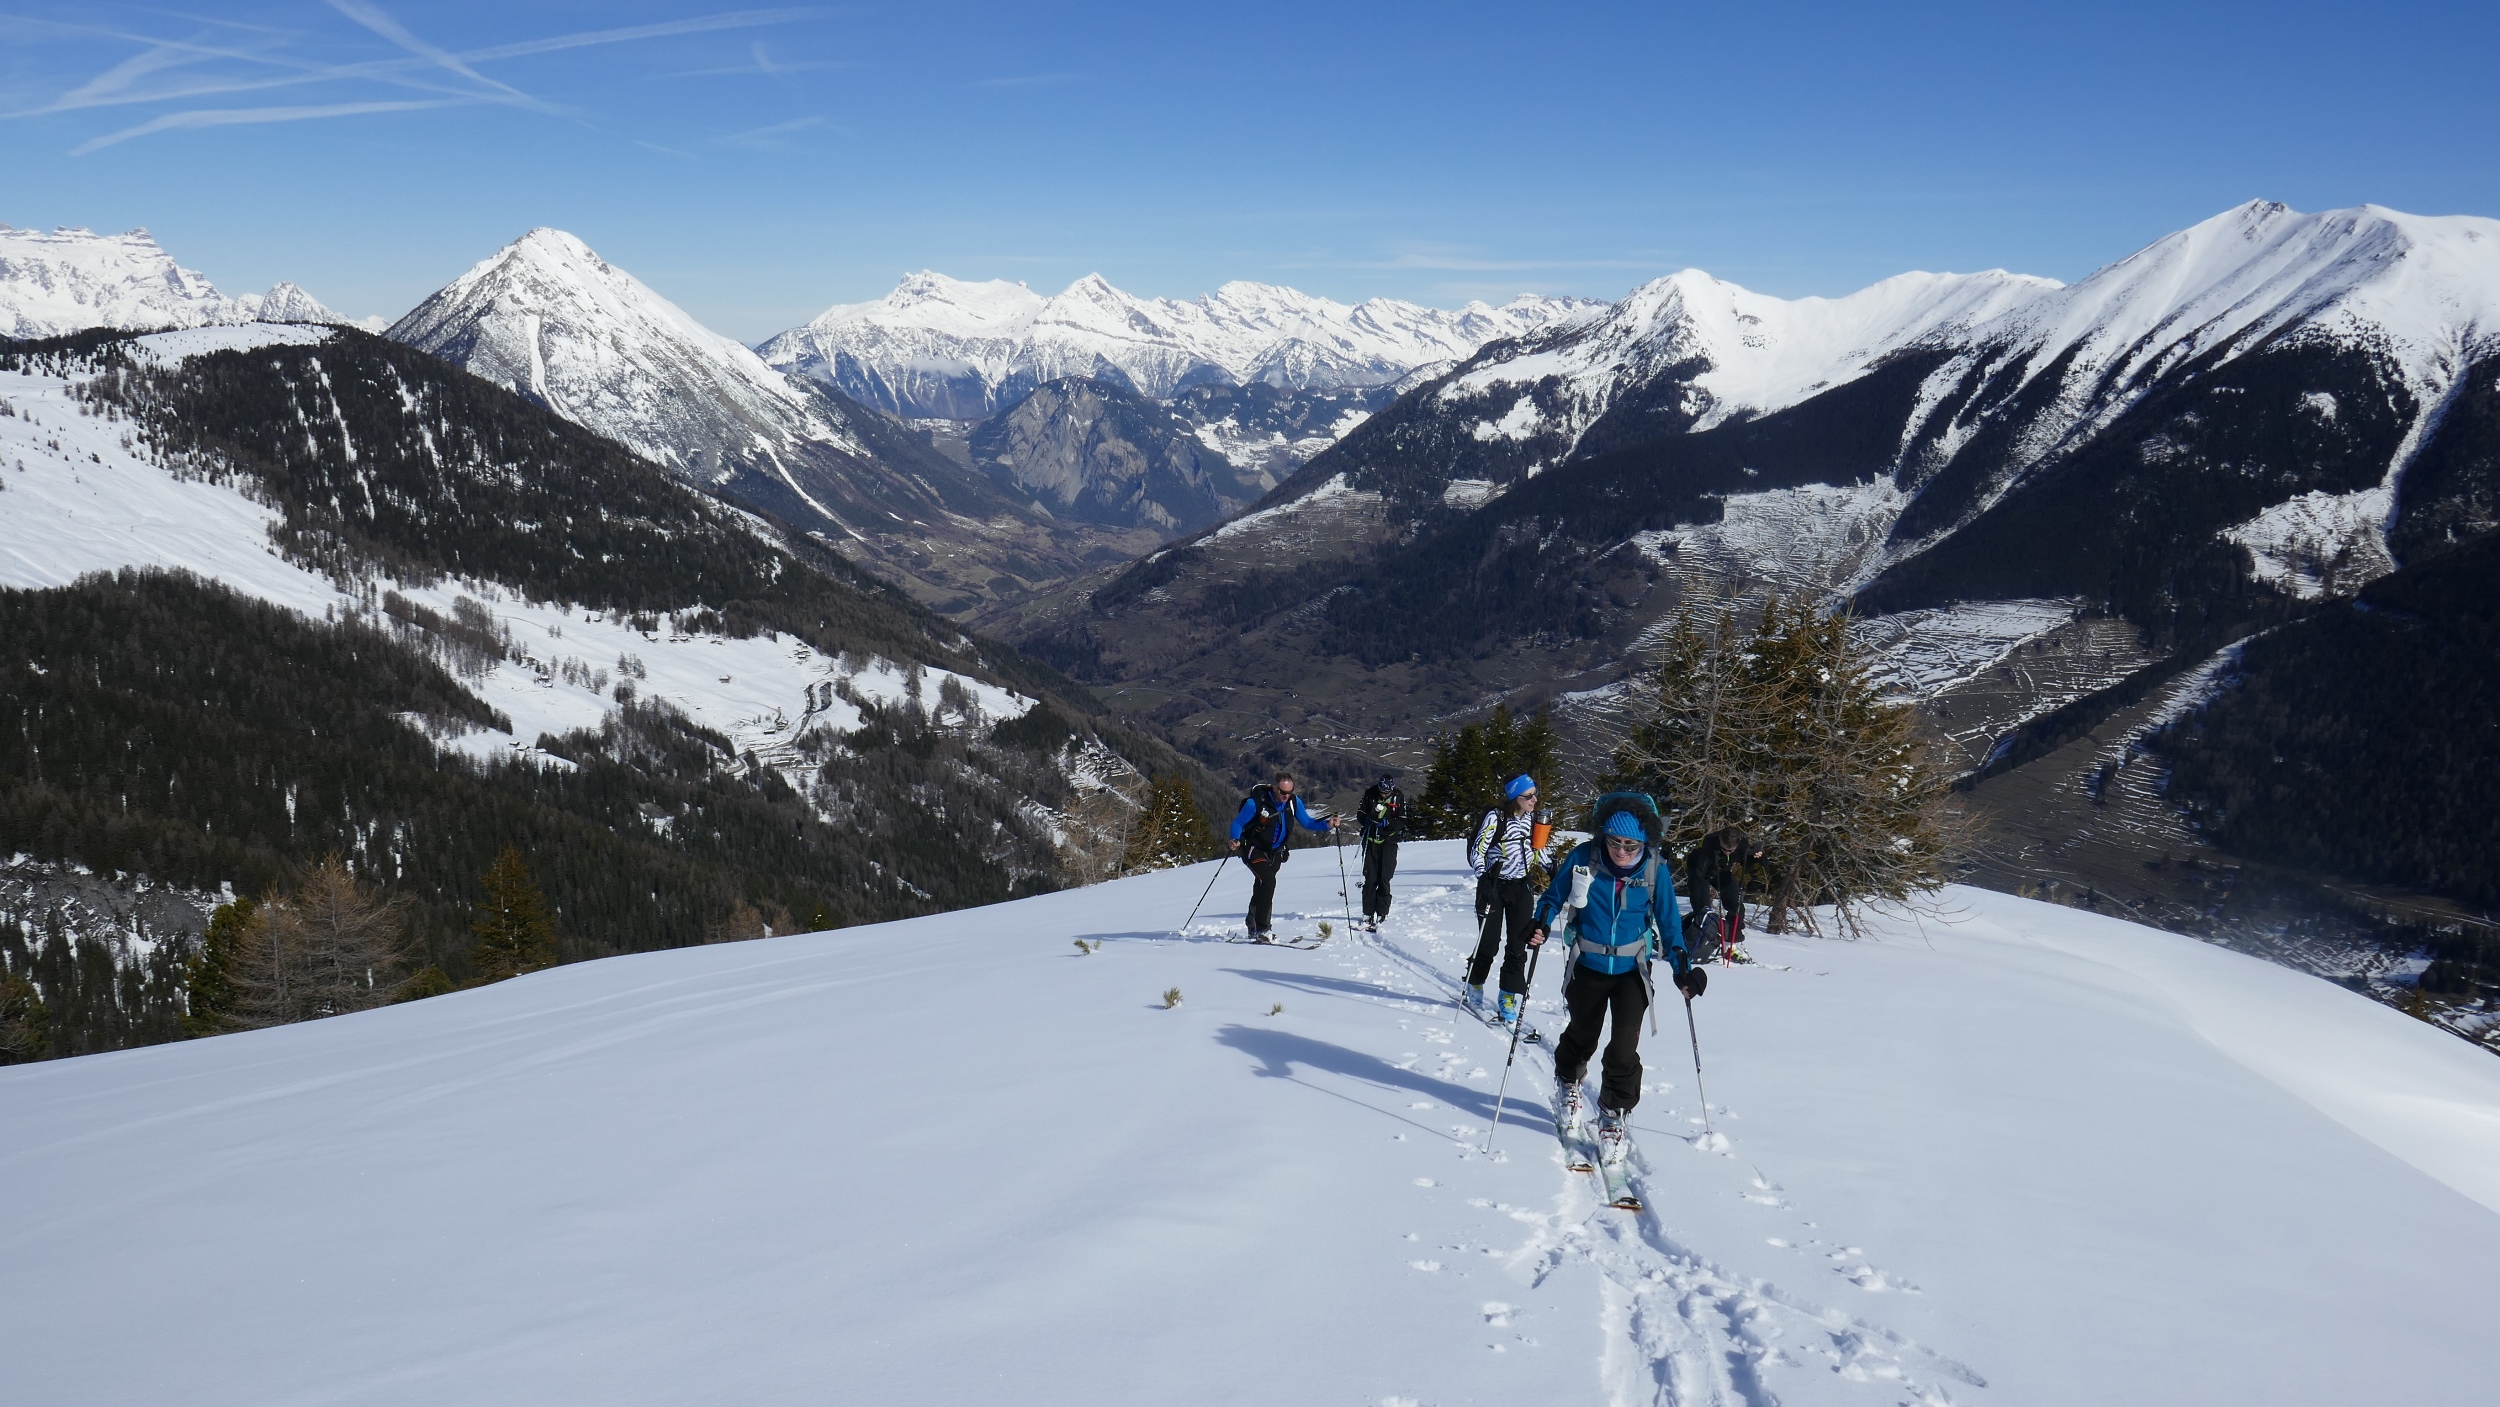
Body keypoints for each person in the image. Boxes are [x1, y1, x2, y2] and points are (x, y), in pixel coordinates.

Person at [1529, 793, 1699, 1164]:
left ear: (1645, 842)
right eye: (1614, 841)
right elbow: (1552, 897)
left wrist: (1682, 967)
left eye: (1630, 844)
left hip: (1632, 971)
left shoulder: (1654, 870)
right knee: (1583, 1033)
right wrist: (1540, 922)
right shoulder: (1584, 859)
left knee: (1624, 1047)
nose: (1621, 851)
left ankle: (1612, 1115)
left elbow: (1670, 924)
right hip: (1587, 963)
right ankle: (1569, 1083)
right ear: (1602, 835)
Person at [1228, 771, 1340, 941]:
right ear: (1274, 788)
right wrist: (1235, 839)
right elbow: (1238, 822)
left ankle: (1253, 925)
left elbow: (1308, 822)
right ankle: (1262, 929)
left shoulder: (1293, 802)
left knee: (1263, 886)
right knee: (1268, 881)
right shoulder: (1255, 803)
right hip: (1253, 848)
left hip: (1276, 852)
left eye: (1289, 792)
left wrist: (1327, 825)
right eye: (1282, 792)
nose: (1286, 796)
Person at [1465, 774, 1541, 1024]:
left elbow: (1538, 849)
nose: (1534, 799)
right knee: (1489, 944)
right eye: (1527, 795)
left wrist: (1552, 867)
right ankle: (1474, 984)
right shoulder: (1496, 817)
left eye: (1534, 793)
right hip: (1494, 886)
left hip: (1521, 887)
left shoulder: (1533, 819)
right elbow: (1478, 850)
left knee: (1518, 946)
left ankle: (1508, 995)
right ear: (1514, 797)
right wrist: (1483, 878)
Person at [1683, 826, 1763, 961]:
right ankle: (1700, 941)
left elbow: (1746, 862)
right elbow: (1700, 871)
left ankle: (1731, 944)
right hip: (1700, 870)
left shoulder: (1743, 842)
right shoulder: (1710, 841)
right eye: (1723, 848)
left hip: (1722, 870)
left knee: (1736, 905)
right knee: (1703, 908)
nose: (1726, 852)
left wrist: (1755, 856)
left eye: (1730, 850)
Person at [1356, 773, 1405, 930]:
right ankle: (1367, 913)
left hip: (1388, 842)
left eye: (1386, 792)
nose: (1383, 794)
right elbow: (1360, 814)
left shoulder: (1398, 797)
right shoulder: (1370, 794)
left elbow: (1402, 820)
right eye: (1381, 791)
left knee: (1384, 877)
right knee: (1370, 878)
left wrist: (1388, 823)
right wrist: (1366, 820)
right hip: (1370, 841)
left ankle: (1382, 913)